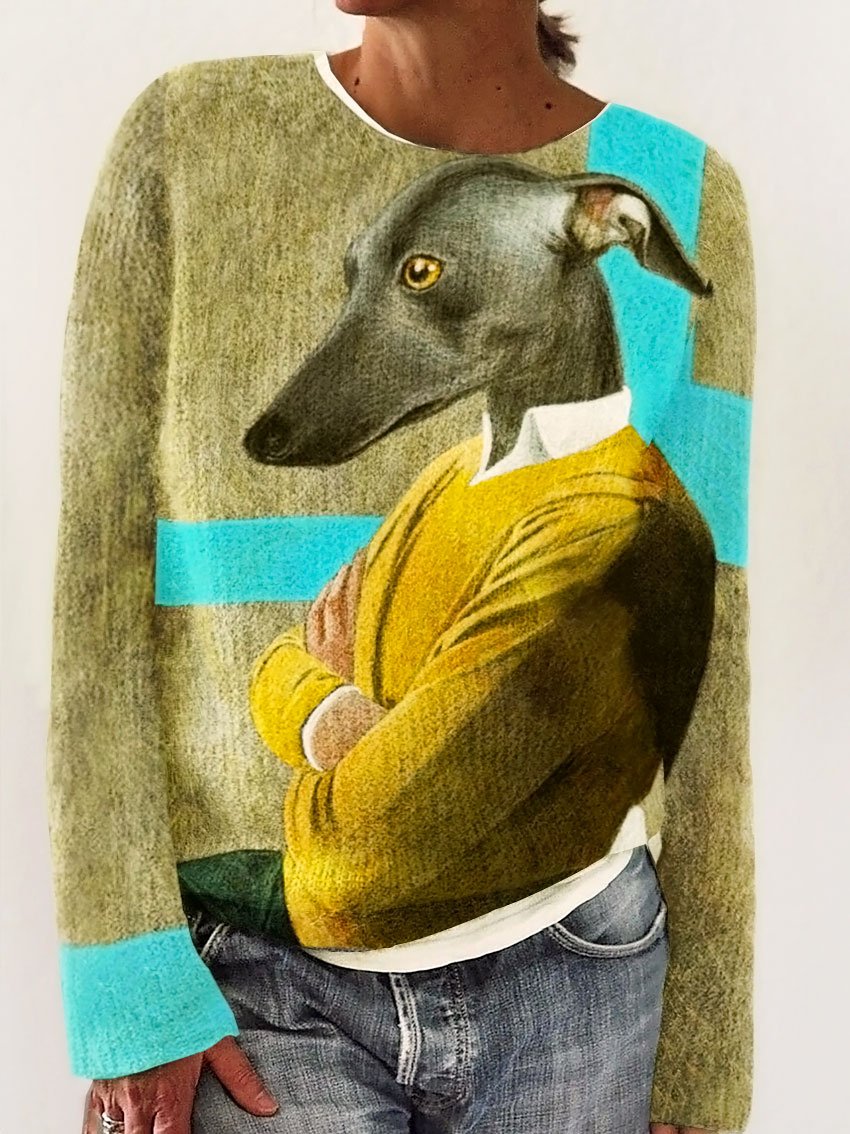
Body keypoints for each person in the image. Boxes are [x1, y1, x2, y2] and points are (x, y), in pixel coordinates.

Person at [47, 3, 757, 1133]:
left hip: (586, 971)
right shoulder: (188, 135)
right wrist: (131, 999)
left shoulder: (679, 185)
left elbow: (707, 673)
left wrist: (702, 1069)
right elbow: (95, 598)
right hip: (253, 990)